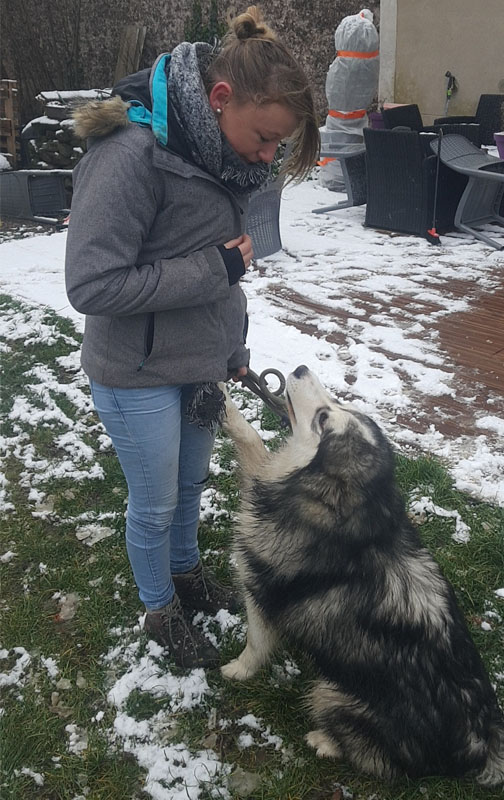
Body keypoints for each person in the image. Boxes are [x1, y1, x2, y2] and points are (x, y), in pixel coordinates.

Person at [65, 5, 319, 669]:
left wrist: (230, 351)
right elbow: (93, 287)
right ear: (220, 98)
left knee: (187, 488)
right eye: (264, 138)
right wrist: (216, 268)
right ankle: (159, 611)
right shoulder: (127, 157)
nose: (267, 158)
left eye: (277, 148)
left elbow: (218, 279)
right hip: (136, 370)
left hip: (197, 363)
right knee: (152, 504)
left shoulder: (218, 156)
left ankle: (185, 577)